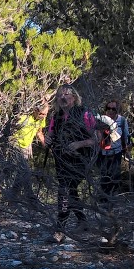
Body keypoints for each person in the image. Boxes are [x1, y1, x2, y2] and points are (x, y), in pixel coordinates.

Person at [43, 84, 98, 241]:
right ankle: (82, 221)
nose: (62, 97)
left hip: (80, 160)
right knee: (70, 190)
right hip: (61, 160)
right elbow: (51, 135)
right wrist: (47, 139)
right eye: (60, 95)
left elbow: (96, 139)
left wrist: (78, 144)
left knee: (65, 190)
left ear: (74, 97)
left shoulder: (85, 114)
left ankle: (60, 230)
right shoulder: (56, 116)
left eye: (66, 94)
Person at [6, 104, 48, 204]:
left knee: (21, 174)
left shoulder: (41, 119)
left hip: (27, 147)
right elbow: (10, 129)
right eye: (41, 113)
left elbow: (39, 132)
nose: (43, 116)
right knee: (25, 171)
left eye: (45, 114)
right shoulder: (24, 117)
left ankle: (12, 198)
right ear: (35, 110)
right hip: (16, 145)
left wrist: (45, 145)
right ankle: (31, 198)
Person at [97, 99, 131, 201]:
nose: (110, 111)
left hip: (116, 152)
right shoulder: (100, 120)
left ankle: (111, 196)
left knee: (115, 175)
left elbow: (126, 136)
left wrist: (128, 151)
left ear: (118, 110)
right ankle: (104, 199)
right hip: (102, 152)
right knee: (104, 175)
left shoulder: (122, 121)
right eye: (108, 108)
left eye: (113, 109)